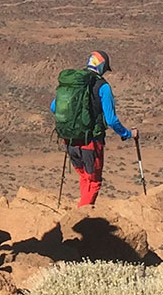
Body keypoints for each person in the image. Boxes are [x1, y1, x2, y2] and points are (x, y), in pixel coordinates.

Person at [50, 51, 134, 207]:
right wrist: (127, 134)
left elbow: (54, 107)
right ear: (102, 66)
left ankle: (81, 211)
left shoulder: (75, 83)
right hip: (91, 143)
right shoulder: (103, 87)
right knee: (94, 181)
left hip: (70, 141)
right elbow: (110, 119)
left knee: (84, 176)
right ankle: (82, 216)